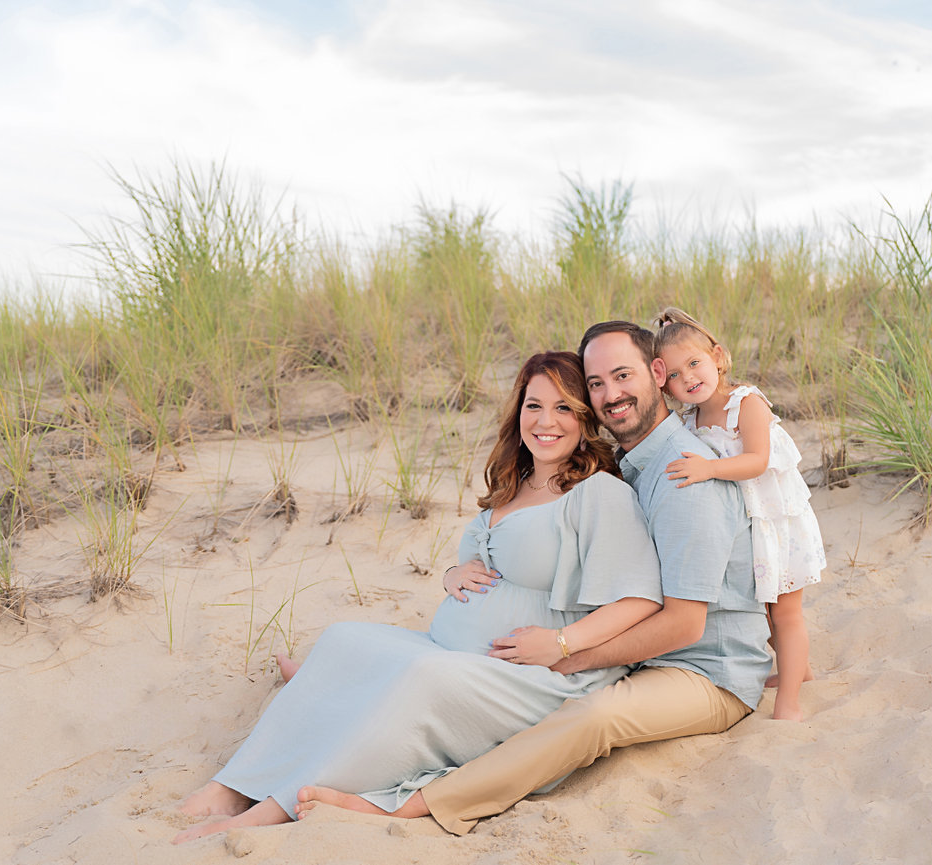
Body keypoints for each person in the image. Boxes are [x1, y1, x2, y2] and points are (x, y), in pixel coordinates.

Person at [173, 351, 663, 843]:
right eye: (534, 405)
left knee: (420, 675)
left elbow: (640, 600)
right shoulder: (517, 479)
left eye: (563, 408)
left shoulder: (598, 494)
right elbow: (482, 555)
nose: (545, 421)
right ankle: (234, 786)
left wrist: (560, 642)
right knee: (345, 640)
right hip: (454, 648)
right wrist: (453, 574)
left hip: (540, 677)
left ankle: (279, 803)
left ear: (584, 418)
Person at [303, 320, 771, 833]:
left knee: (592, 717)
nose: (610, 394)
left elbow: (684, 626)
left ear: (658, 374)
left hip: (704, 672)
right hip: (639, 653)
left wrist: (568, 654)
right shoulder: (631, 462)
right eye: (596, 384)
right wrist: (458, 575)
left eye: (622, 376)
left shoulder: (685, 477)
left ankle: (418, 803)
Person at [653, 306, 827, 721]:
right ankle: (797, 670)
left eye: (694, 363)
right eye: (674, 375)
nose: (688, 378)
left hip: (776, 522)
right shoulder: (690, 419)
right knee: (762, 612)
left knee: (785, 612)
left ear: (718, 356)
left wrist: (710, 469)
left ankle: (789, 701)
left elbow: (757, 460)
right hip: (745, 527)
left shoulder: (745, 403)